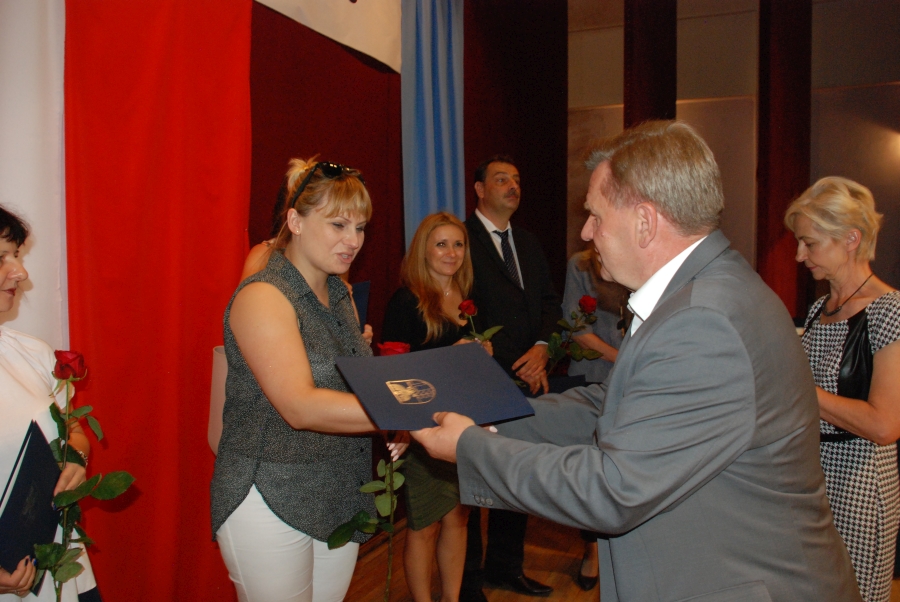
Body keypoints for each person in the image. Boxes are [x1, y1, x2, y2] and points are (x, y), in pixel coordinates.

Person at [414, 121, 861, 601]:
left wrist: (470, 447)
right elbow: (609, 407)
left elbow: (614, 490)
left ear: (645, 222)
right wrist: (489, 419)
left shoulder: (703, 321)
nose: (586, 232)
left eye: (595, 216)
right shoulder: (699, 295)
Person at [210, 158, 404, 602]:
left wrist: (395, 423)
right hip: (269, 493)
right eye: (338, 225)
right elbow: (299, 406)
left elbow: (357, 385)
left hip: (338, 490)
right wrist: (404, 411)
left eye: (360, 227)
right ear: (295, 222)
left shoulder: (339, 294)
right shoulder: (264, 295)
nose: (353, 241)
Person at [785, 177, 900, 602]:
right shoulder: (820, 309)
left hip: (859, 487)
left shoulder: (890, 311)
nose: (799, 255)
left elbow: (885, 425)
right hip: (812, 479)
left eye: (810, 243)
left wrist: (795, 386)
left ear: (851, 239)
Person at [461, 156, 560, 601]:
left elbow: (549, 303)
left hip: (529, 377)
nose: (513, 186)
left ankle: (506, 567)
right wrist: (503, 360)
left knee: (517, 473)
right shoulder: (460, 239)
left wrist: (542, 349)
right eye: (501, 179)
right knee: (471, 481)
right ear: (480, 189)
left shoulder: (529, 242)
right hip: (480, 378)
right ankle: (468, 582)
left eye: (517, 180)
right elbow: (458, 308)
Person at [382, 212, 491, 602]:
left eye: (458, 244)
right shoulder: (406, 300)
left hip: (463, 426)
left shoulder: (468, 300)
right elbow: (393, 375)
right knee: (424, 526)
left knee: (459, 520)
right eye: (441, 244)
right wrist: (453, 355)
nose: (451, 252)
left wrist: (481, 354)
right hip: (422, 429)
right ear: (423, 250)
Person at [0, 206, 99, 601]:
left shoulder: (33, 353)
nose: (19, 272)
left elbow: (74, 431)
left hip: (63, 576)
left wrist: (77, 457)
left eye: (16, 255)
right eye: (1, 259)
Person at [560, 248, 630, 591]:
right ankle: (592, 551)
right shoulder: (581, 265)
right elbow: (577, 330)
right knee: (591, 470)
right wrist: (625, 358)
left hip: (636, 382)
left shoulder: (644, 259)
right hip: (594, 375)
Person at [562, 248, 629, 385]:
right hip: (593, 374)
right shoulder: (581, 264)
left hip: (635, 376)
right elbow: (579, 333)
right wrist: (627, 362)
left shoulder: (645, 262)